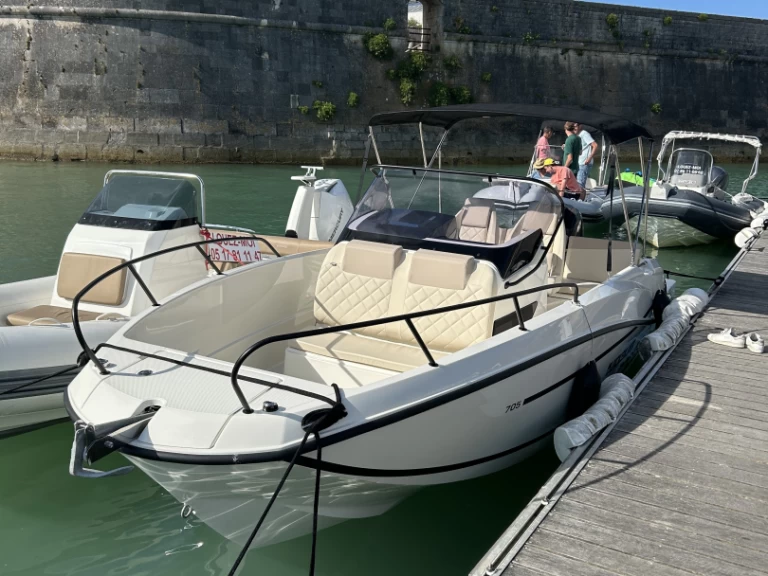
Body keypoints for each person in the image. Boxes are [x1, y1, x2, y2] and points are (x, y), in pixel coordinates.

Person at [574, 122, 598, 188]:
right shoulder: (577, 135)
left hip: (584, 163)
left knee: (580, 184)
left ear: (580, 126)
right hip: (579, 163)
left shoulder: (584, 134)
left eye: (575, 126)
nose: (574, 128)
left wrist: (589, 158)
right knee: (577, 183)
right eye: (573, 127)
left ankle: (580, 198)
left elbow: (595, 145)